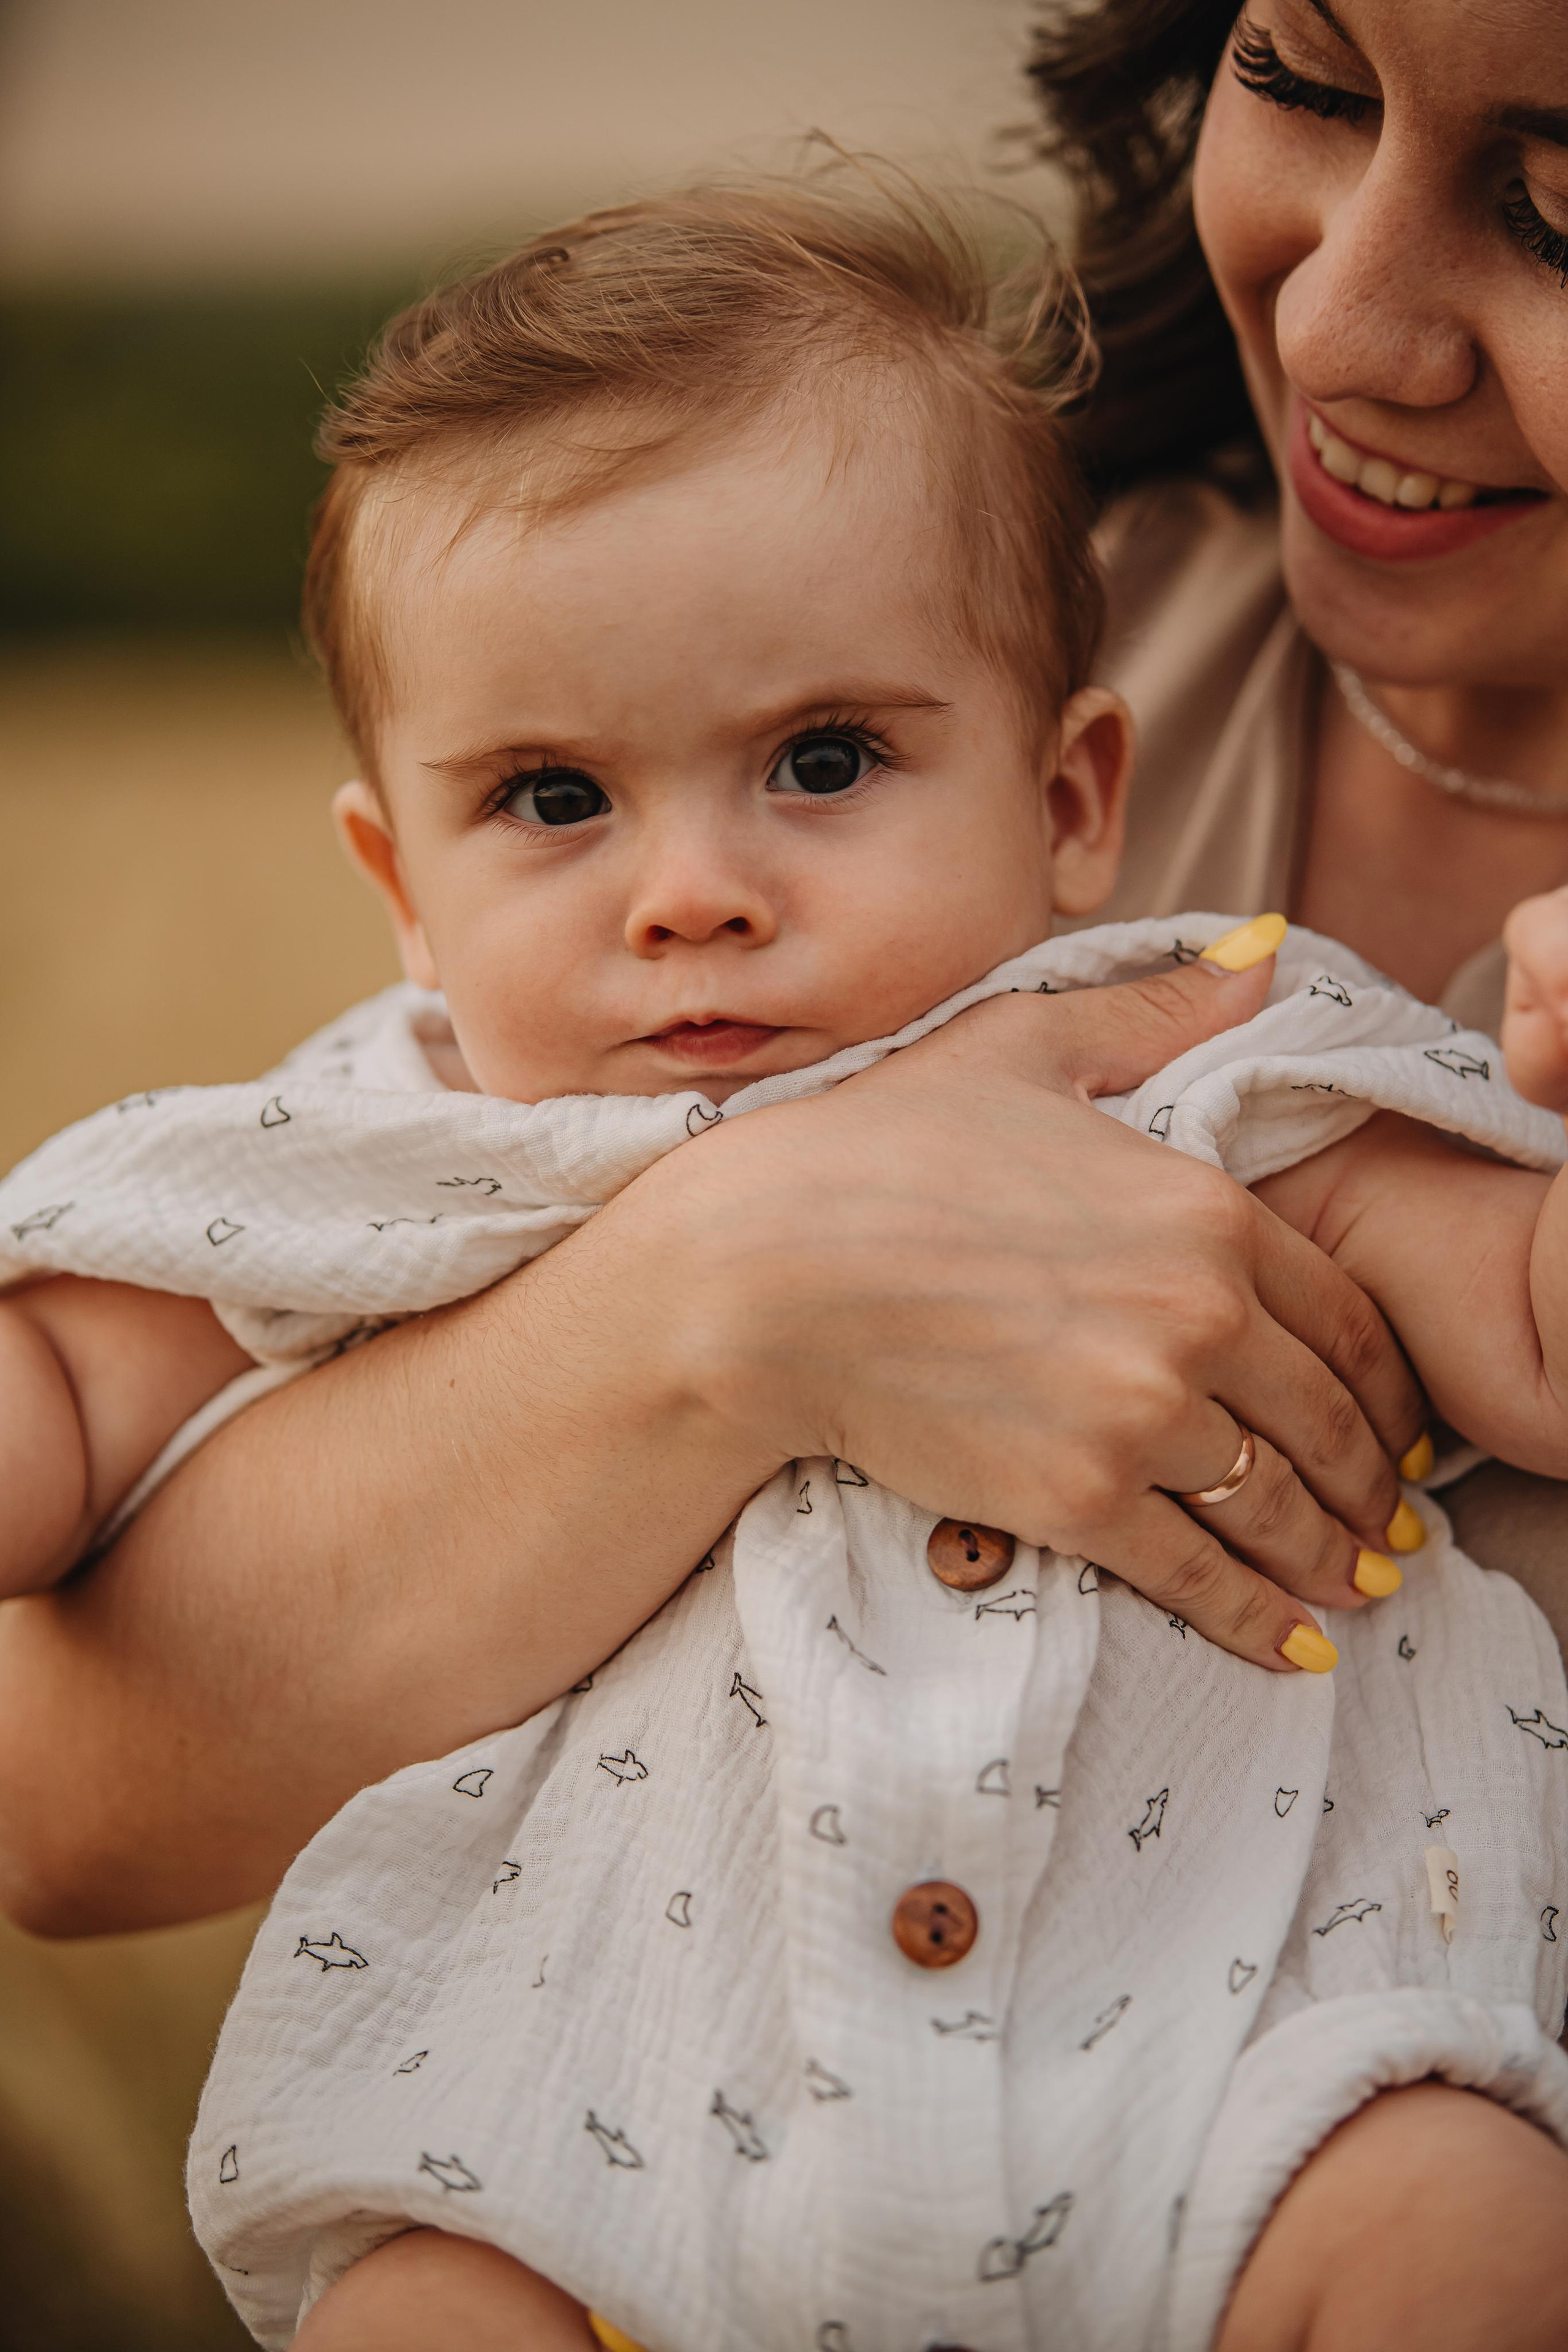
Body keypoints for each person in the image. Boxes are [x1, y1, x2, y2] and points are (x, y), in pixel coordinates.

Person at [3, 0, 1568, 2337]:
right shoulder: (403, 1134)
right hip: (593, 2122)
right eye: (1304, 72)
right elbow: (69, 1586)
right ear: (397, 879)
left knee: (1457, 2229)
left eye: (823, 763)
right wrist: (724, 1293)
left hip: (1217, 2100)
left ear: (1069, 798)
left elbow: (1525, 1328)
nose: (690, 892)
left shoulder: (1217, 1046)